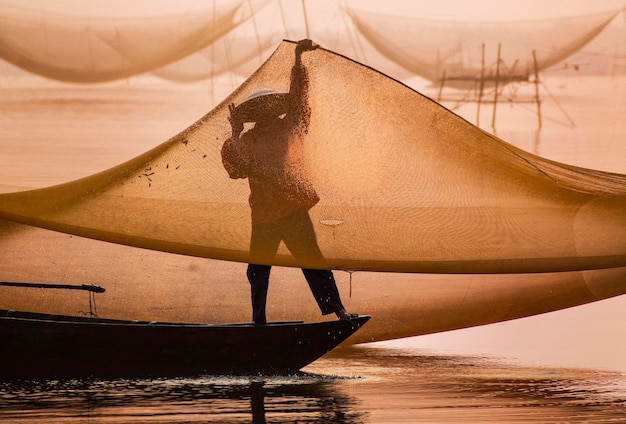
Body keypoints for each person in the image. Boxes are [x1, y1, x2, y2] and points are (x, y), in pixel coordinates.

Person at [221, 39, 358, 325]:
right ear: (254, 115)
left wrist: (297, 60)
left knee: (313, 262)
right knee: (258, 270)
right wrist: (235, 132)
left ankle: (339, 311)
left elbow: (301, 100)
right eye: (260, 109)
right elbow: (236, 170)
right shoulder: (248, 140)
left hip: (292, 210)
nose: (267, 111)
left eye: (270, 106)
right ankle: (259, 322)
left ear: (276, 108)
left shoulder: (290, 128)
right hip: (263, 216)